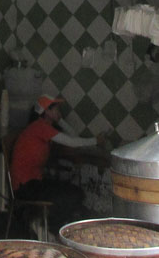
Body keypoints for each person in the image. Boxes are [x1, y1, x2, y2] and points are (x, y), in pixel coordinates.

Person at [9, 95, 98, 235]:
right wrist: (96, 141)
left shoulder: (44, 126)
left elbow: (74, 136)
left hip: (34, 182)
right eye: (56, 109)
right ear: (46, 111)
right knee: (72, 195)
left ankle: (56, 230)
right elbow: (73, 142)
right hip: (25, 186)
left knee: (76, 194)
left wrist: (60, 120)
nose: (59, 112)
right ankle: (52, 230)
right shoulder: (39, 127)